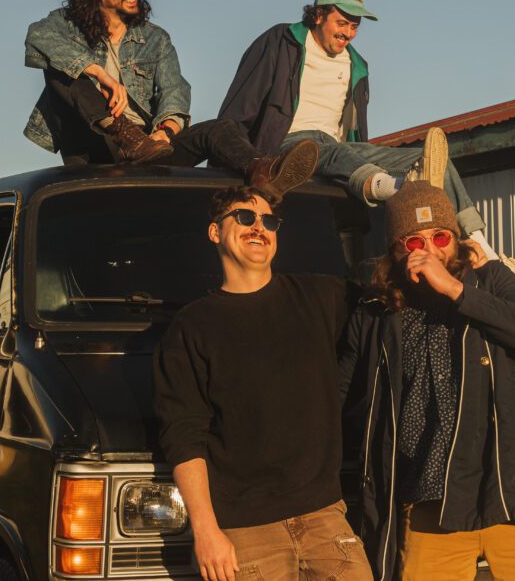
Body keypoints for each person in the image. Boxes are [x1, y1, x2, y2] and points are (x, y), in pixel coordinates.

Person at [219, 0, 515, 287]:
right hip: (286, 146)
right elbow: (242, 102)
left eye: (354, 26)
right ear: (318, 15)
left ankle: (487, 253)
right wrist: (239, 157)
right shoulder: (282, 42)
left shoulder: (356, 65)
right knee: (323, 149)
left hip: (336, 148)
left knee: (430, 159)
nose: (348, 32)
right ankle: (404, 188)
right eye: (342, 22)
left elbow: (354, 131)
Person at [338, 181, 515, 580]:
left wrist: (455, 290)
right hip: (430, 501)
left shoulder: (491, 282)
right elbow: (338, 393)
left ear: (456, 241)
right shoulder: (377, 314)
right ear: (396, 251)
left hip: (509, 494)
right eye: (414, 242)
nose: (429, 249)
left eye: (440, 236)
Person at [154, 184, 373, 581]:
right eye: (244, 217)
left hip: (325, 518)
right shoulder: (192, 326)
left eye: (269, 221)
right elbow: (184, 434)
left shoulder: (322, 297)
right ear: (214, 232)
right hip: (244, 533)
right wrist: (206, 532)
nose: (259, 227)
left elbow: (388, 298)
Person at [23, 0, 315, 202]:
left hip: (148, 149)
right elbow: (37, 37)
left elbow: (175, 90)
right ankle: (123, 134)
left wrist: (164, 133)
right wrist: (100, 74)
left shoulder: (155, 39)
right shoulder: (64, 26)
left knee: (219, 128)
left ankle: (266, 173)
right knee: (62, 72)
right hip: (96, 144)